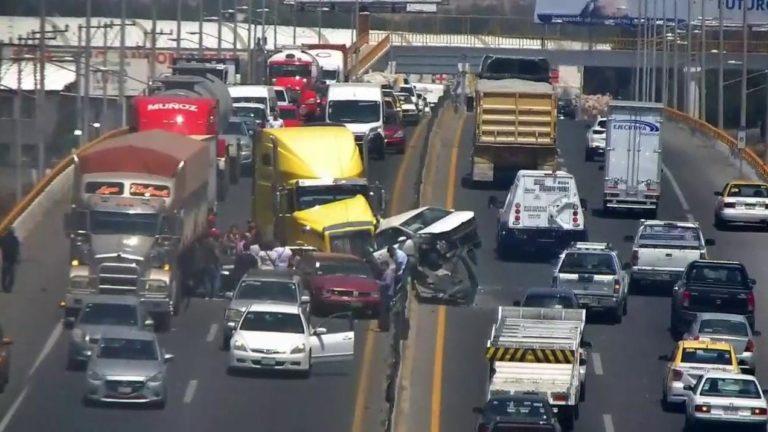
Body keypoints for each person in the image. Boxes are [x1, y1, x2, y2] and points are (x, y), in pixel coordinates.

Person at [200, 231, 222, 299]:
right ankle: (214, 295)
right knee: (215, 280)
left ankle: (207, 295)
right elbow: (217, 254)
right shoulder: (214, 244)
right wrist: (219, 260)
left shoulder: (204, 243)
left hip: (205, 264)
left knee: (207, 280)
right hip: (213, 264)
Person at [377, 260, 396, 332]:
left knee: (384, 311)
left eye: (382, 266)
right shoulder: (388, 273)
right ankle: (384, 327)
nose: (381, 267)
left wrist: (379, 283)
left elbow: (387, 283)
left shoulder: (388, 273)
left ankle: (383, 327)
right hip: (387, 294)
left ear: (385, 265)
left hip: (387, 295)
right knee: (386, 312)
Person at [0, 228, 20, 293]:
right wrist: (17, 259)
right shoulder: (15, 240)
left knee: (4, 275)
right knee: (12, 276)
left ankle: (4, 287)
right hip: (12, 260)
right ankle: (9, 288)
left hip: (5, 260)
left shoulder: (3, 239)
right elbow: (17, 250)